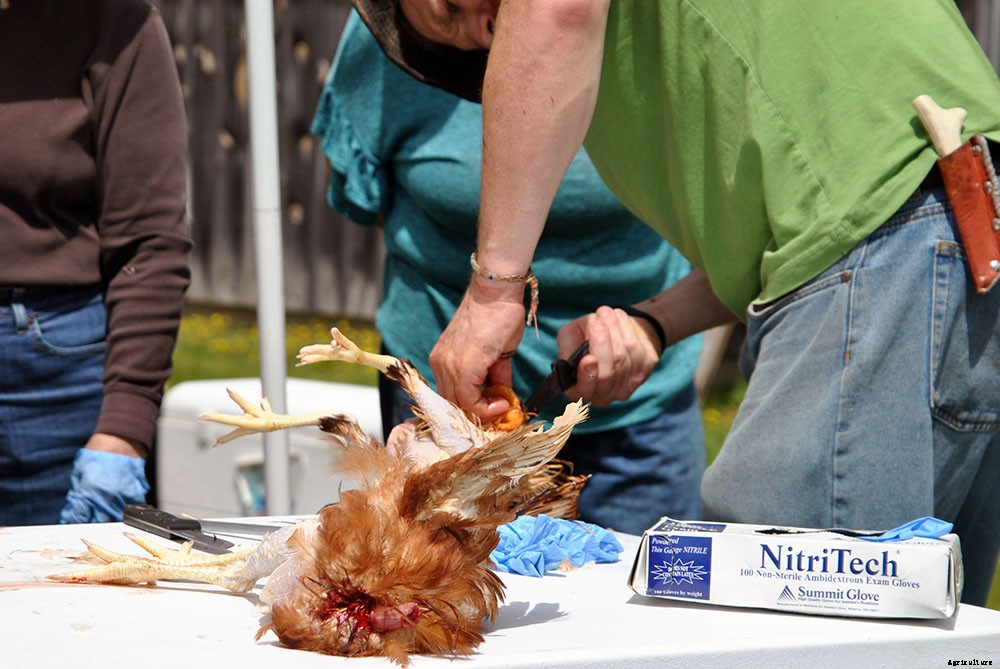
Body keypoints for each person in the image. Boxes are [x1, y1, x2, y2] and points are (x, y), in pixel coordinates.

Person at [348, 0, 1000, 605]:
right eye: (464, 42)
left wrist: (494, 291)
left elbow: (557, 7)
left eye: (450, 7)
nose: (482, 33)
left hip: (897, 244)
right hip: (964, 229)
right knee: (935, 632)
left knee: (770, 622)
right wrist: (656, 324)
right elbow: (785, 237)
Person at [310, 10, 706, 534]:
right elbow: (362, 193)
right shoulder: (380, 43)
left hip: (638, 416)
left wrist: (655, 324)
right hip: (443, 421)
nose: (479, 32)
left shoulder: (662, 34)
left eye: (467, 4)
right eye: (444, 21)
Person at [0, 0, 192, 526]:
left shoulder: (115, 23)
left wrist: (123, 429)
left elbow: (149, 242)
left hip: (52, 376)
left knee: (50, 577)